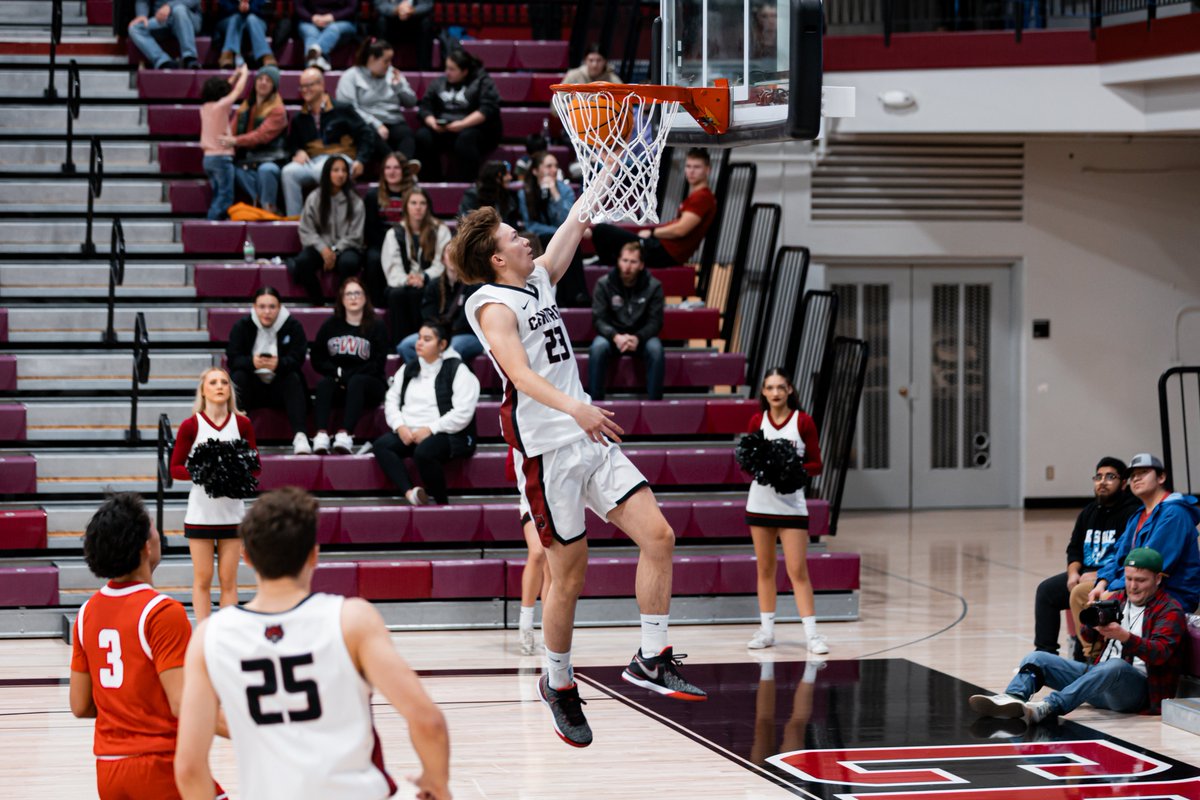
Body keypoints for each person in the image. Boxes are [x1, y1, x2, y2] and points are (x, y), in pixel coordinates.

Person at [458, 197, 707, 750]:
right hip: (547, 452)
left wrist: (602, 173)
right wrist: (575, 408)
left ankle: (651, 656)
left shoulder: (538, 281)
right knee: (568, 577)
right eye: (513, 237)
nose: (525, 239)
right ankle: (559, 680)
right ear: (497, 260)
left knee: (659, 536)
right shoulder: (491, 305)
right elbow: (519, 375)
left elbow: (574, 224)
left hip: (588, 436)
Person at [174, 487, 451, 800]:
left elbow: (188, 768)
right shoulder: (352, 620)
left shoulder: (210, 636)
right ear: (314, 555)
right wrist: (436, 782)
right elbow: (428, 721)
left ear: (246, 556)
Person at [69, 493, 224, 800]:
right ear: (145, 546)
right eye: (152, 527)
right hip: (158, 765)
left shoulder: (86, 613)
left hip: (109, 772)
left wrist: (126, 704)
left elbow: (80, 705)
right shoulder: (162, 611)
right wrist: (251, 730)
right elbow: (182, 704)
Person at [970, 547, 1187, 724]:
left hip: (1137, 691)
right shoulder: (1118, 599)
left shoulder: (1169, 610)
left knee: (1114, 666)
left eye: (1141, 580)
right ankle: (1013, 698)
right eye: (1129, 579)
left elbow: (1160, 653)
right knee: (1036, 659)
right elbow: (1089, 639)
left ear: (1158, 579)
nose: (1133, 586)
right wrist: (1094, 623)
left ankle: (1050, 706)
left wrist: (1124, 636)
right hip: (1097, 681)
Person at [741, 368, 825, 653]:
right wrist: (763, 468)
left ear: (790, 390)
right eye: (770, 388)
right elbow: (747, 459)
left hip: (792, 507)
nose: (775, 393)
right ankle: (766, 632)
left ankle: (812, 635)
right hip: (760, 505)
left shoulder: (803, 421)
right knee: (765, 569)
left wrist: (792, 469)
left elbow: (817, 464)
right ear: (763, 392)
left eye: (780, 387)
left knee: (797, 570)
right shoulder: (757, 420)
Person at [170, 367, 259, 621]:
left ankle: (226, 634)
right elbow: (175, 468)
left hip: (232, 515)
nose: (219, 386)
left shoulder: (242, 423)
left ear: (229, 389)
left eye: (224, 382)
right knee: (203, 579)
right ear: (203, 390)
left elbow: (256, 467)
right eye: (213, 382)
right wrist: (204, 474)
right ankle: (205, 634)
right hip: (201, 515)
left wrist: (236, 474)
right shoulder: (191, 425)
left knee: (229, 581)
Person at [1033, 456, 1139, 657]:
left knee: (1081, 593)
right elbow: (1074, 549)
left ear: (1123, 483)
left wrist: (1098, 575)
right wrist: (1073, 572)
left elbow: (1124, 555)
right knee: (1046, 592)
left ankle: (1087, 655)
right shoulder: (1088, 512)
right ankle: (1044, 655)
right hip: (1083, 575)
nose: (1102, 482)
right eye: (1098, 477)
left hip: (1111, 578)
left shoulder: (1131, 513)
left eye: (1110, 477)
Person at [373, 321, 479, 505]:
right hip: (411, 431)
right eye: (419, 337)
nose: (419, 343)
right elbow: (391, 400)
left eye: (427, 339)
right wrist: (400, 426)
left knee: (424, 452)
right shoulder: (408, 368)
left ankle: (441, 502)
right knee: (382, 445)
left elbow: (463, 412)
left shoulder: (458, 369)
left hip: (448, 433)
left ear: (442, 345)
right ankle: (411, 494)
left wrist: (430, 429)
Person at [1088, 453, 1200, 614]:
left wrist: (1113, 591)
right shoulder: (1138, 516)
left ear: (1161, 477)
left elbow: (1150, 566)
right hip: (1136, 586)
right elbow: (1118, 556)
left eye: (1143, 473)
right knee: (1083, 594)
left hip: (1169, 595)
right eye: (1133, 475)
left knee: (1098, 607)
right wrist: (1102, 582)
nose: (1136, 478)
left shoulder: (1174, 514)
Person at [589, 148, 716, 268]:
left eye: (697, 167)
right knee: (610, 233)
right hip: (662, 248)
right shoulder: (697, 196)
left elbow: (681, 229)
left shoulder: (702, 197)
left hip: (665, 253)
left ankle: (609, 269)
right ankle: (606, 265)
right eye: (688, 166)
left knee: (602, 231)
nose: (691, 171)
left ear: (708, 170)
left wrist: (653, 233)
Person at [281, 67, 377, 216]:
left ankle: (326, 221)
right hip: (312, 162)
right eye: (303, 86)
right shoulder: (299, 118)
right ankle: (295, 220)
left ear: (322, 85)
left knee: (324, 169)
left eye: (310, 85)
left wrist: (361, 160)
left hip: (341, 159)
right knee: (289, 172)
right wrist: (297, 152)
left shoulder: (342, 109)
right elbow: (291, 144)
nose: (305, 90)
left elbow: (366, 133)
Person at [227, 287, 312, 455]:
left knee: (293, 377)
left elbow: (298, 359)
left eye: (272, 307)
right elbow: (233, 359)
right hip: (252, 388)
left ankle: (301, 436)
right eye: (262, 306)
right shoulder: (242, 326)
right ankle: (235, 436)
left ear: (279, 307)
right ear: (254, 307)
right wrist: (252, 363)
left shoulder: (293, 325)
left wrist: (279, 364)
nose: (267, 312)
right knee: (238, 377)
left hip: (281, 387)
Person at [310, 277, 389, 455]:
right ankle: (321, 434)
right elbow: (317, 357)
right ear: (342, 299)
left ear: (365, 297)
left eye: (357, 293)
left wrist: (350, 375)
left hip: (370, 383)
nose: (353, 298)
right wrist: (337, 372)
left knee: (357, 382)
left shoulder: (377, 326)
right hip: (339, 381)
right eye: (348, 294)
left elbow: (378, 362)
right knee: (324, 384)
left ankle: (345, 434)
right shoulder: (330, 325)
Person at [588, 241, 665, 401]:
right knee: (598, 347)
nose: (627, 266)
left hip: (641, 338)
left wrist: (638, 338)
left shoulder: (654, 286)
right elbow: (599, 319)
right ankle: (595, 402)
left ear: (641, 265)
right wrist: (615, 336)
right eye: (624, 260)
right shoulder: (604, 284)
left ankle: (656, 405)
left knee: (656, 349)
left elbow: (655, 322)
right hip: (612, 337)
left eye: (633, 262)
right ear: (618, 261)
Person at [415, 48, 502, 182]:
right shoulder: (439, 82)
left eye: (452, 69)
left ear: (464, 71)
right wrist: (432, 122)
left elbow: (488, 109)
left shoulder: (482, 81)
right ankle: (432, 181)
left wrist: (462, 124)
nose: (447, 72)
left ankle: (468, 183)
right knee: (423, 136)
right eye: (446, 68)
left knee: (465, 140)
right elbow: (425, 106)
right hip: (443, 129)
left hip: (473, 129)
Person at [380, 186, 451, 346]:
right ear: (406, 206)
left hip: (431, 281)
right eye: (413, 203)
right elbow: (392, 267)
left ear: (428, 206)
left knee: (422, 292)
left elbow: (443, 263)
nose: (418, 207)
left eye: (422, 203)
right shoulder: (395, 233)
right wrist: (408, 280)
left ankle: (426, 343)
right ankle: (400, 345)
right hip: (404, 283)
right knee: (396, 295)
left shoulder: (440, 230)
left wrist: (424, 277)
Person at [291, 156, 366, 305]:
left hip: (346, 248)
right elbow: (306, 230)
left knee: (349, 262)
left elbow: (356, 235)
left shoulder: (355, 201)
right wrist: (323, 249)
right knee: (303, 261)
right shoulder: (314, 198)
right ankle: (317, 302)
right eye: (336, 170)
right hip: (321, 248)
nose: (340, 174)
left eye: (344, 171)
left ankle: (340, 304)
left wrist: (334, 250)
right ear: (327, 173)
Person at [518, 150, 587, 307]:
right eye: (548, 166)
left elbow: (569, 220)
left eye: (555, 166)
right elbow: (531, 225)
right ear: (535, 171)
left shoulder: (565, 190)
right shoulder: (525, 193)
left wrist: (555, 194)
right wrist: (557, 233)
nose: (554, 170)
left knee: (571, 243)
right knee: (549, 240)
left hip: (561, 236)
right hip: (541, 237)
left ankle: (577, 295)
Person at [220, 64, 287, 215]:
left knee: (266, 170)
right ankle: (258, 203)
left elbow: (261, 136)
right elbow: (232, 130)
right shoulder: (246, 106)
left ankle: (268, 208)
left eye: (268, 80)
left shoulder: (278, 110)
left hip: (270, 159)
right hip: (247, 159)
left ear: (274, 86)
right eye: (260, 79)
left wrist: (235, 141)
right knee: (229, 169)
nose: (263, 82)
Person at [337, 37, 418, 159]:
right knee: (370, 134)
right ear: (372, 59)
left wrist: (399, 87)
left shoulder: (393, 73)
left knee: (407, 134)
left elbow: (411, 102)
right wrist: (376, 124)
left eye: (391, 60)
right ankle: (397, 167)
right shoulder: (351, 76)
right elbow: (349, 109)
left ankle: (400, 169)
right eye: (386, 61)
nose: (389, 65)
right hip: (366, 123)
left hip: (394, 121)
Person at [506, 446, 552, 656]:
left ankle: (549, 629)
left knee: (553, 565)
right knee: (537, 552)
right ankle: (525, 624)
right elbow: (509, 471)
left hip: (559, 499)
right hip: (531, 499)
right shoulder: (523, 428)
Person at [363, 151, 422, 306]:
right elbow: (370, 228)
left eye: (396, 167)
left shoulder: (415, 194)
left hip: (409, 240)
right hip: (381, 242)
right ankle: (377, 304)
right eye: (388, 168)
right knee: (373, 259)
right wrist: (389, 246)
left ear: (403, 170)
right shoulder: (372, 195)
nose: (392, 171)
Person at [199, 66, 250, 221]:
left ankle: (215, 223)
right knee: (225, 196)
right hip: (221, 158)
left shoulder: (205, 108)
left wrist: (234, 76)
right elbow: (237, 91)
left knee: (217, 194)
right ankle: (212, 225)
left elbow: (226, 90)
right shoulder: (221, 106)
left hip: (207, 159)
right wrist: (244, 74)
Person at [128, 0, 201, 70]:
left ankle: (190, 58)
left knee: (179, 10)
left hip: (187, 18)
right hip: (163, 19)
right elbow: (143, 1)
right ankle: (163, 61)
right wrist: (141, 15)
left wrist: (169, 6)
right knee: (135, 28)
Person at [295, 0, 358, 72]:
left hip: (342, 21)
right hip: (310, 21)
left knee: (333, 29)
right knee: (311, 33)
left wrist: (332, 17)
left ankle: (315, 52)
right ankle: (314, 69)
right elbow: (299, 7)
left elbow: (351, 8)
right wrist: (312, 18)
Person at [372, 0, 434, 70]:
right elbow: (380, 4)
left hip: (415, 20)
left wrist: (412, 11)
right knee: (381, 22)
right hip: (391, 21)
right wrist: (396, 10)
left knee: (426, 23)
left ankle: (424, 70)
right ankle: (381, 66)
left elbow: (427, 4)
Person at [214, 0, 275, 69]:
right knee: (236, 18)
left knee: (252, 19)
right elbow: (221, 7)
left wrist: (250, 8)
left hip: (255, 22)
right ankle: (228, 55)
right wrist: (237, 7)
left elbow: (266, 9)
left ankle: (265, 56)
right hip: (229, 21)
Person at [458, 160, 519, 227]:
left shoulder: (507, 196)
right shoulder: (472, 195)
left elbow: (512, 224)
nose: (510, 177)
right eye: (507, 174)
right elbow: (466, 222)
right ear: (497, 177)